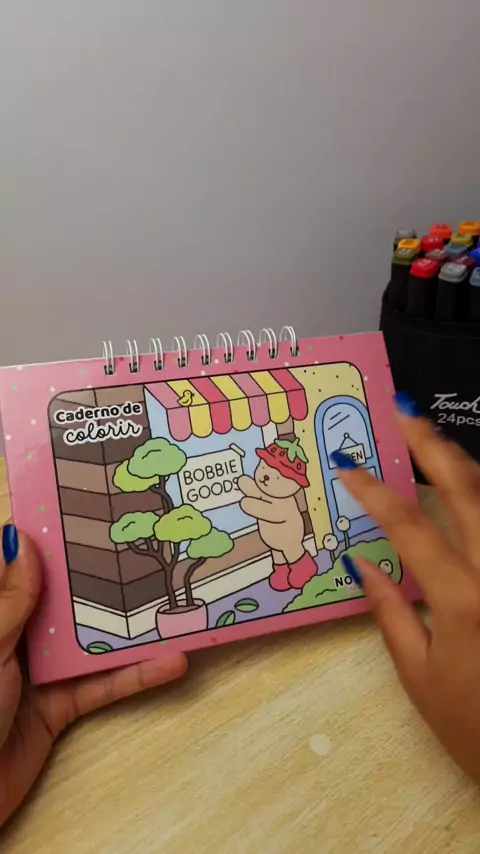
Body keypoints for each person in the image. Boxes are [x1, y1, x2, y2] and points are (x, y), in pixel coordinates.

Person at [1, 391, 480, 825]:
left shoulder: (279, 504)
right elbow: (254, 498)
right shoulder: (268, 493)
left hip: (291, 549)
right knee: (282, 563)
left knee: (290, 562)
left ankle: (296, 571)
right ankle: (290, 570)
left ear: (291, 486)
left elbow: (261, 507)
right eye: (263, 473)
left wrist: (248, 490)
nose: (262, 478)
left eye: (271, 476)